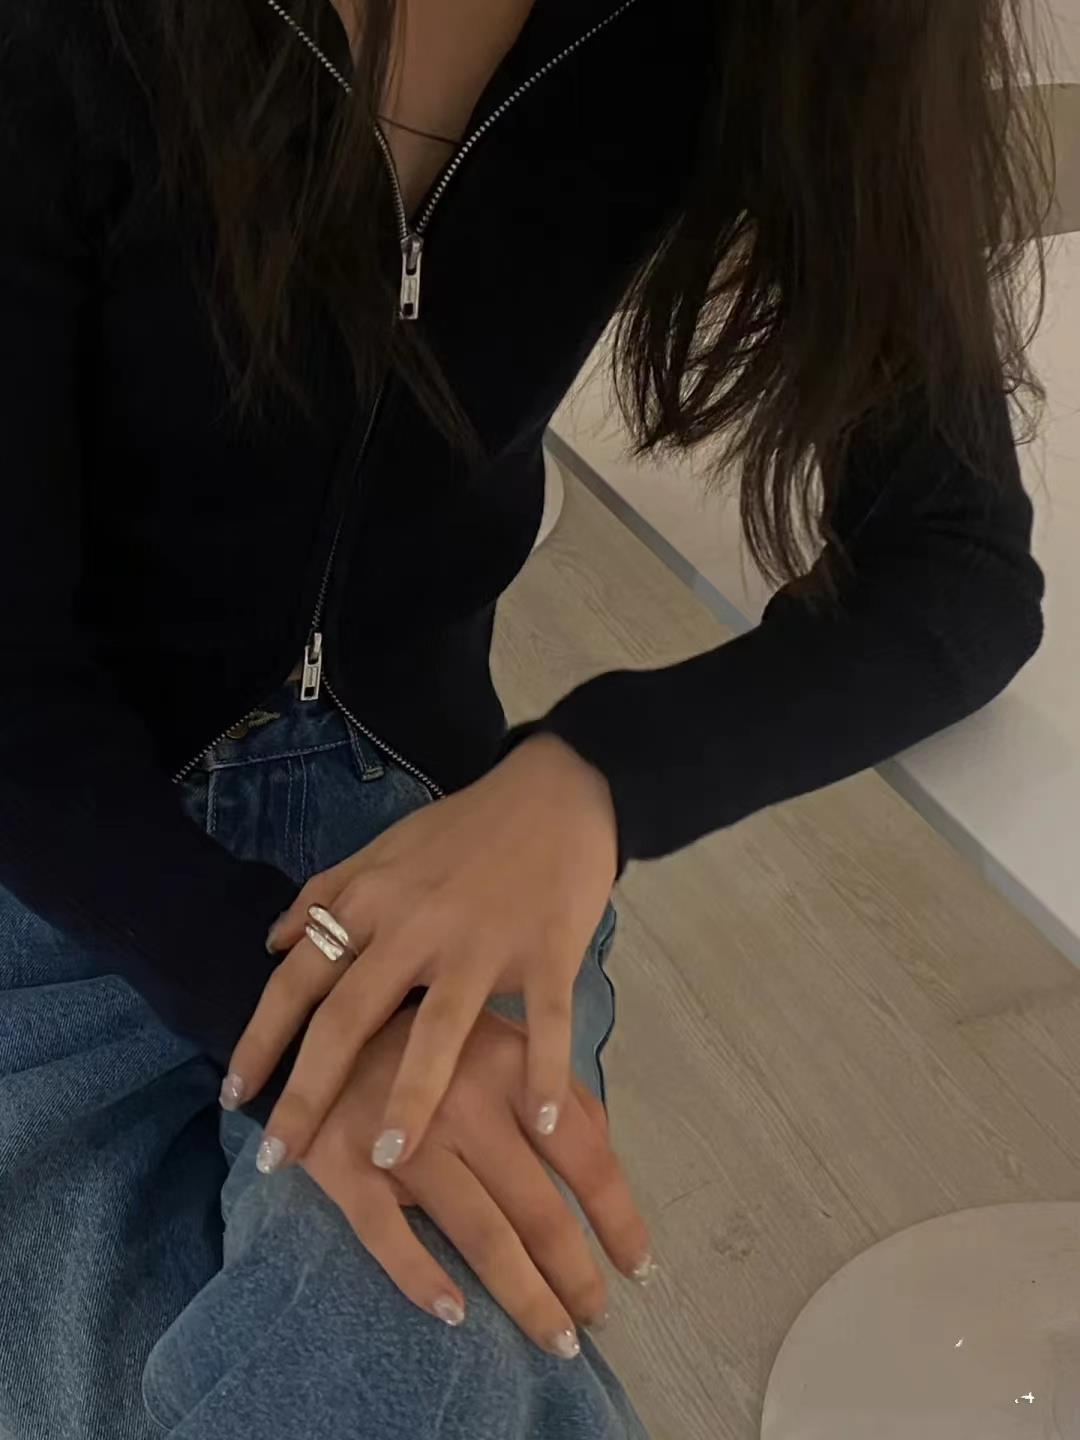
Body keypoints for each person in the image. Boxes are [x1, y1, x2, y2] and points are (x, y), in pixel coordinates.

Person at [0, 1, 1051, 1436]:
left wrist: (587, 781)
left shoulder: (765, 31)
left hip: (436, 842)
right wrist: (284, 1009)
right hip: (63, 860)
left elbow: (960, 565)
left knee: (406, 1332)